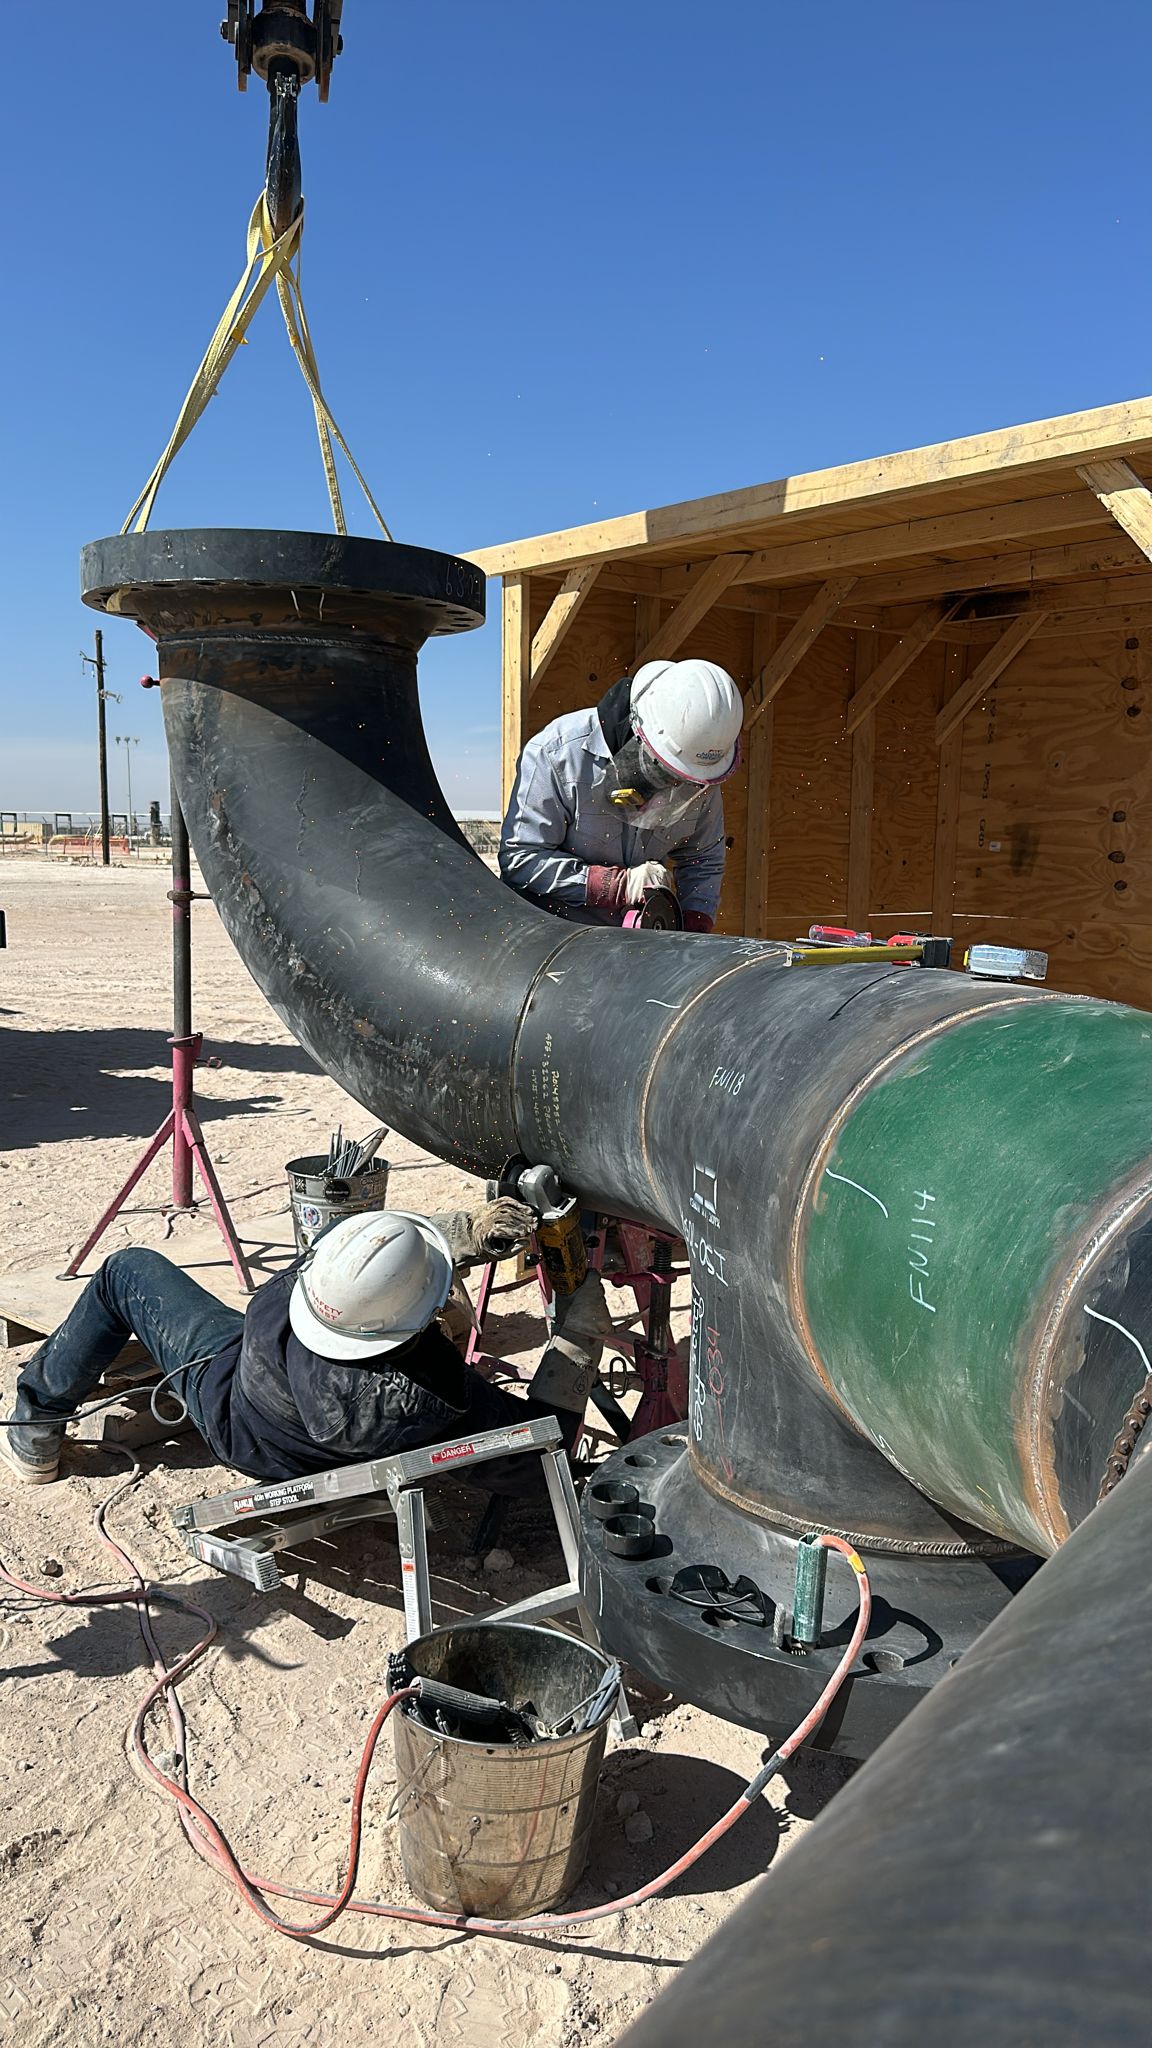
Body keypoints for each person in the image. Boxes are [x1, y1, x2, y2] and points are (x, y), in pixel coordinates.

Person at [2, 1198, 608, 1496]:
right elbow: (535, 1449)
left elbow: (356, 1267)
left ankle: (35, 1424)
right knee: (449, 1316)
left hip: (236, 1398)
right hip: (272, 1429)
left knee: (125, 1269)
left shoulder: (289, 1291)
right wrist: (577, 1339)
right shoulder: (430, 1394)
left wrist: (460, 1238)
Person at [499, 657, 743, 931]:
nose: (677, 787)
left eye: (684, 779)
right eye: (668, 773)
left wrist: (695, 929)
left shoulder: (698, 771)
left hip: (640, 944)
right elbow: (521, 860)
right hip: (553, 937)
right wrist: (615, 886)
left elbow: (703, 859)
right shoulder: (557, 753)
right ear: (640, 735)